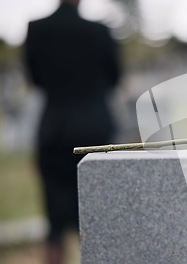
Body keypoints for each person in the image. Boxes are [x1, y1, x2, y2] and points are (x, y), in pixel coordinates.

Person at [23, 0, 121, 263]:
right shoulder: (99, 32)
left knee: (54, 223)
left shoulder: (36, 29)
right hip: (94, 130)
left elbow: (35, 79)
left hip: (54, 129)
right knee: (96, 217)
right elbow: (114, 78)